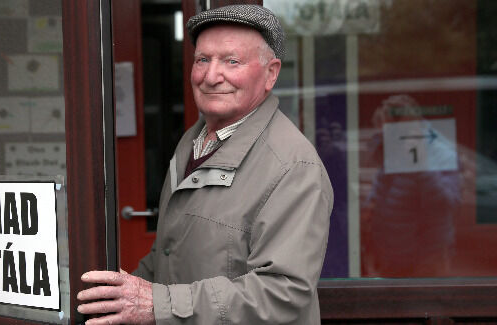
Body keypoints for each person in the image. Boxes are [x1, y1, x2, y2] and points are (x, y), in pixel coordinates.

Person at [77, 4, 333, 324]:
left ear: (271, 73)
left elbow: (282, 293)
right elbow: (170, 253)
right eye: (202, 60)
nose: (212, 76)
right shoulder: (194, 141)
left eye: (231, 61)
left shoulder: (292, 167)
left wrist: (157, 303)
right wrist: (117, 293)